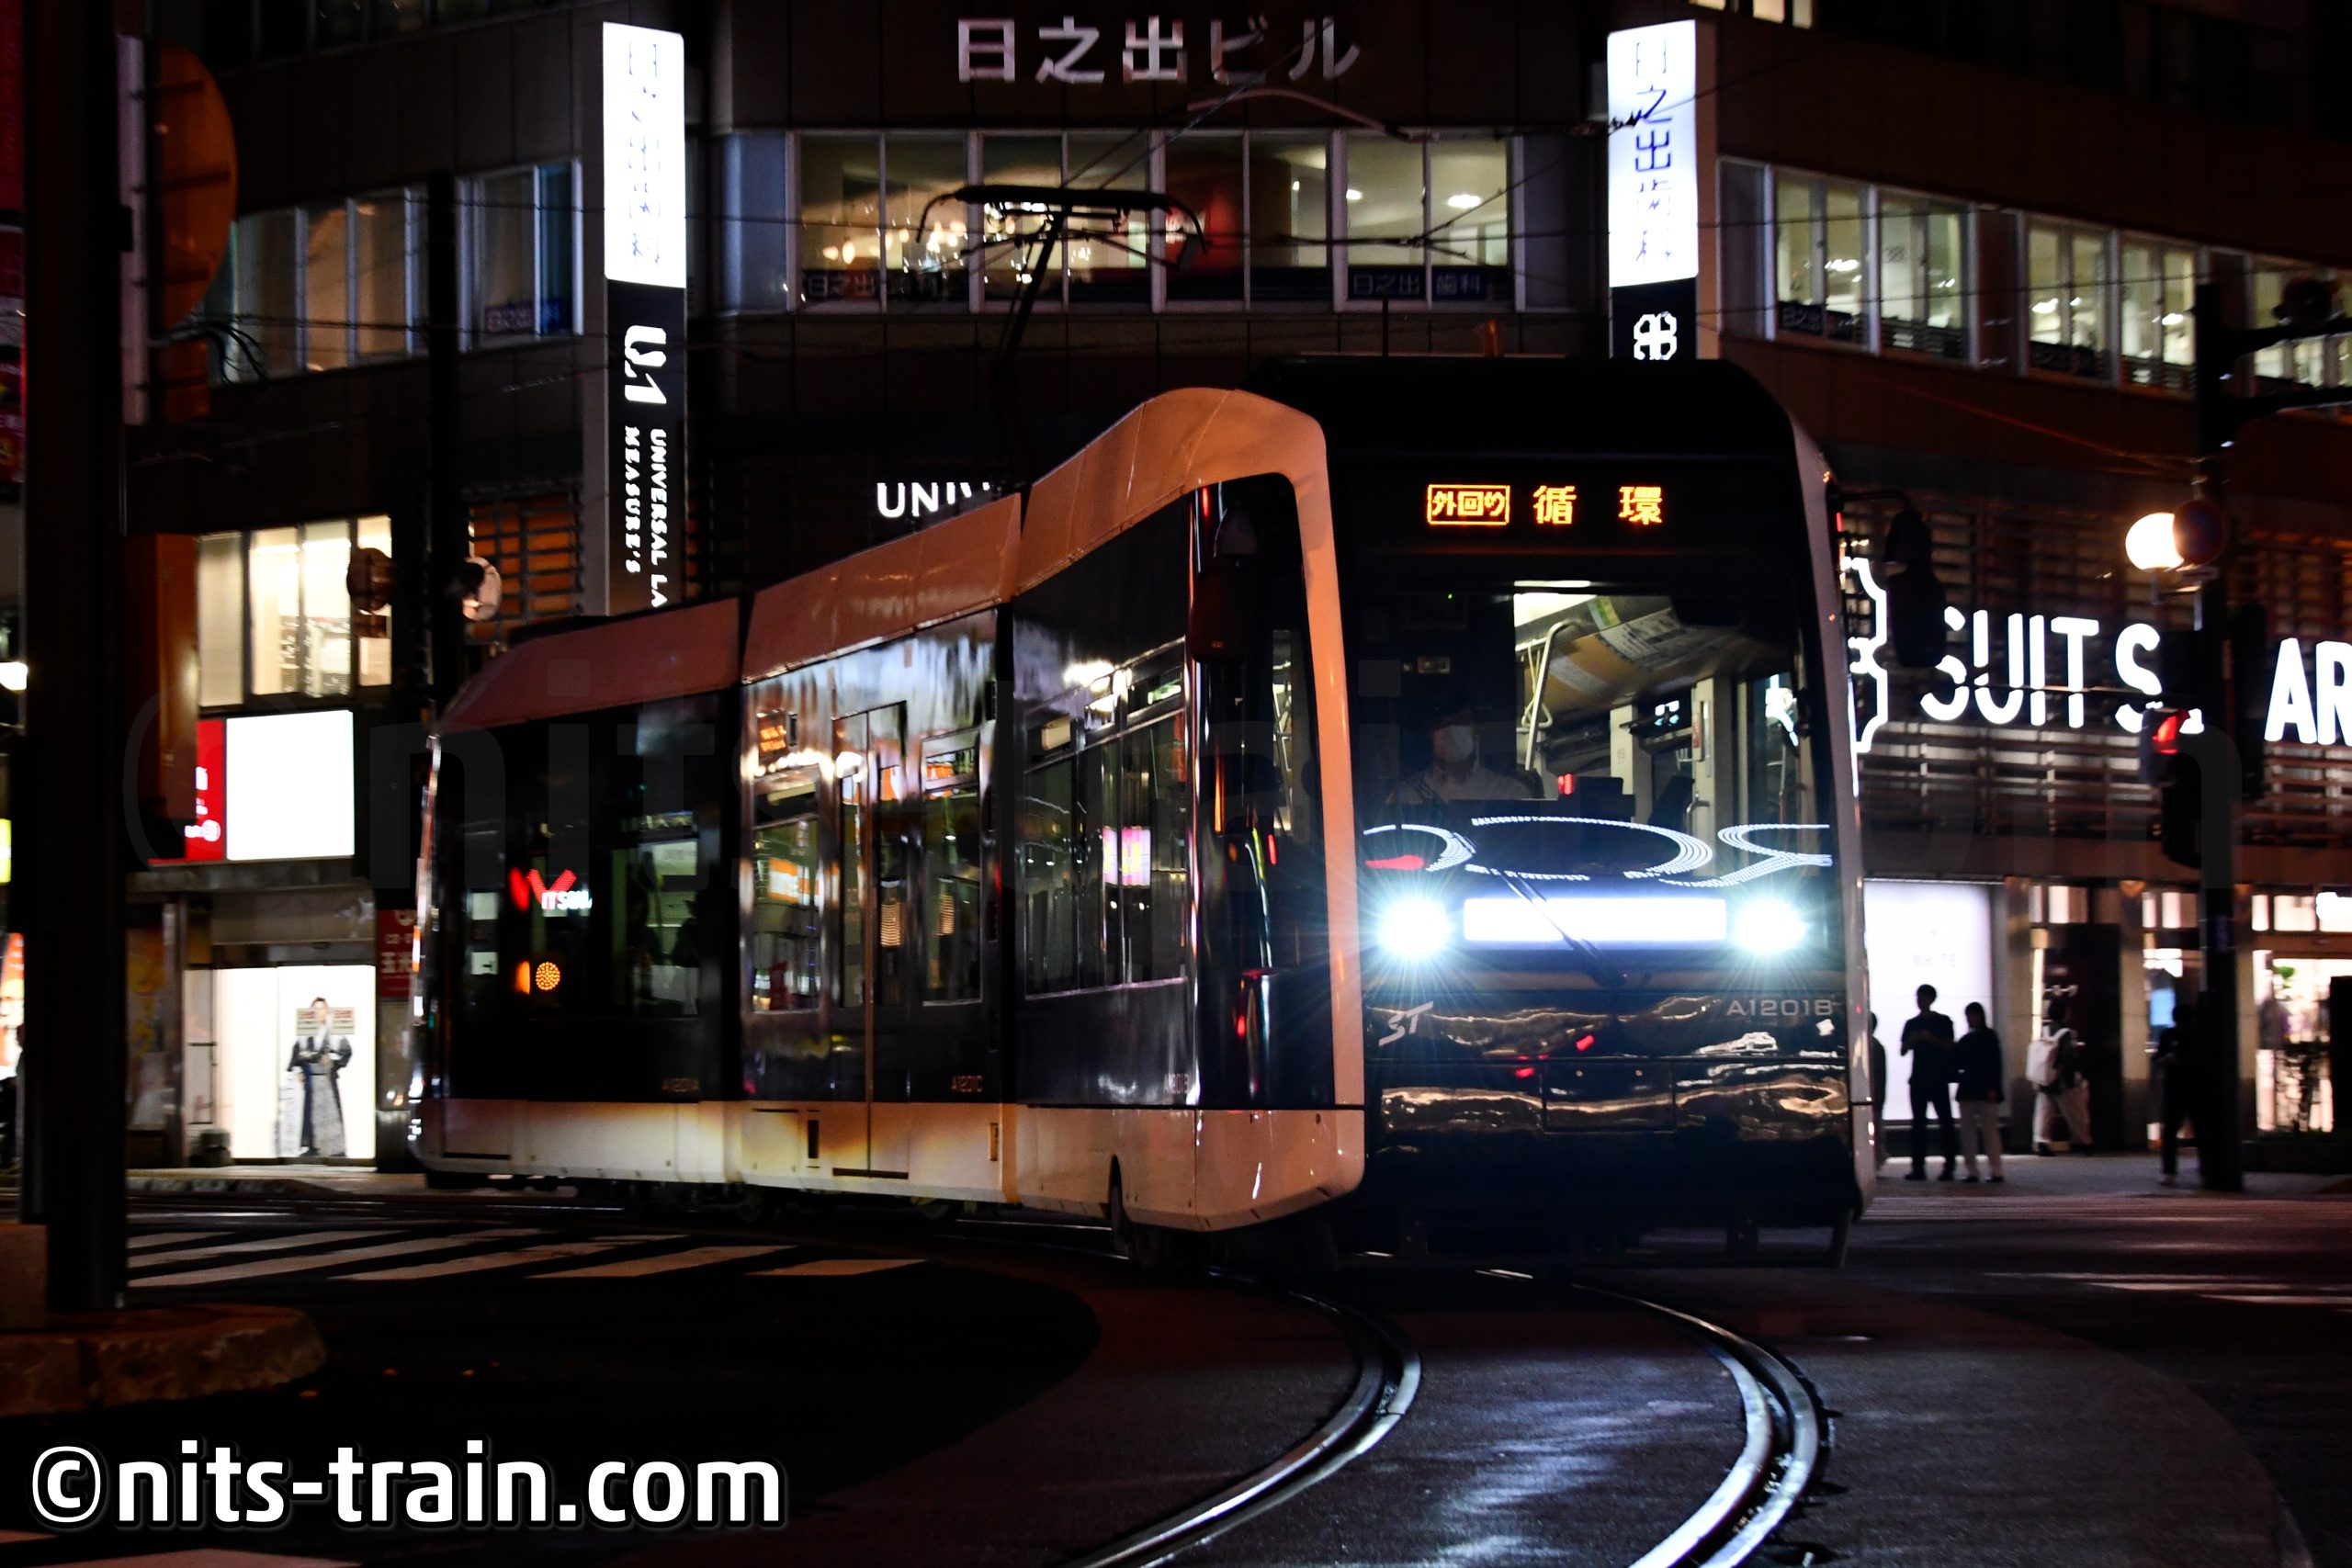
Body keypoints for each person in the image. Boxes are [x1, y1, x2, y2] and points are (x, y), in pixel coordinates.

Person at [1391, 701, 1533, 806]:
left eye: (1460, 722)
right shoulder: (1404, 797)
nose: (1451, 731)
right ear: (1429, 733)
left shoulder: (1510, 793)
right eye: (1442, 724)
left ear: (1476, 729)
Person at [1901, 983, 1958, 1181]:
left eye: (1923, 997)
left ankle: (1949, 1166)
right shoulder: (1912, 1023)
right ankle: (1918, 1167)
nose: (1919, 1001)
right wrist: (1914, 1040)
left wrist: (1929, 1039)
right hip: (1918, 1079)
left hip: (1938, 1077)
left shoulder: (1943, 1022)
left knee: (1945, 1122)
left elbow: (1949, 1046)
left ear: (1931, 999)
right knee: (1919, 1124)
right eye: (1918, 997)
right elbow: (1903, 1050)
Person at [1952, 1001, 2007, 1183]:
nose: (1969, 1019)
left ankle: (1977, 1170)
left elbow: (1958, 1061)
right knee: (1987, 1131)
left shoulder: (1969, 1039)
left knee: (1973, 1132)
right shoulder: (1988, 1037)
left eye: (1971, 1015)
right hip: (1980, 1088)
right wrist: (1994, 1087)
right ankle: (1991, 1169)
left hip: (1971, 1088)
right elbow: (1995, 1064)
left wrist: (1993, 1087)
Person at [2153, 999, 2200, 1186]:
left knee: (2171, 1131)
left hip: (2176, 1089)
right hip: (2190, 1088)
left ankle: (2169, 1171)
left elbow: (2157, 1060)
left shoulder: (2171, 1035)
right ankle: (2201, 1168)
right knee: (2196, 1129)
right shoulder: (2194, 1035)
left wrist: (2171, 1060)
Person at [1867, 1012, 1889, 1168]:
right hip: (1877, 1095)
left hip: (1873, 1095)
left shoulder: (1869, 1046)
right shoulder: (1877, 1046)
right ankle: (1878, 1158)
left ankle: (1877, 1158)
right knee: (1876, 1128)